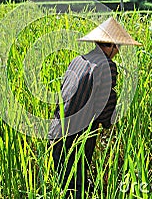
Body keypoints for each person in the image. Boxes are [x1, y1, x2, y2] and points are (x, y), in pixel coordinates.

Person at [48, 16, 141, 198]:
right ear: (111, 45)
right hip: (78, 138)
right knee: (77, 187)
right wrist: (111, 120)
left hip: (56, 130)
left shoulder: (78, 60)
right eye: (118, 47)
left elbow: (64, 93)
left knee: (64, 184)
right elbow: (105, 103)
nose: (118, 51)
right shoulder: (107, 66)